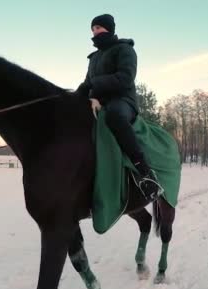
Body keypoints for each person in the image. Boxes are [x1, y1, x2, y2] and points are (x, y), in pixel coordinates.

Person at [76, 13, 163, 201]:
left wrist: (94, 85)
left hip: (123, 101)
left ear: (109, 28)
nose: (94, 32)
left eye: (98, 27)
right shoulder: (94, 58)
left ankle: (145, 173)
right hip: (98, 102)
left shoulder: (125, 49)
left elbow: (125, 78)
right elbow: (86, 83)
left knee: (114, 115)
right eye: (92, 29)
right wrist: (72, 98)